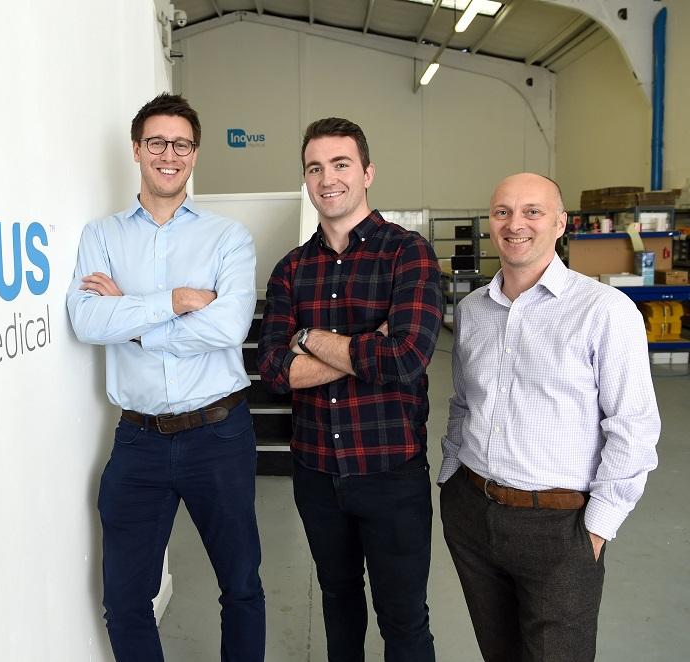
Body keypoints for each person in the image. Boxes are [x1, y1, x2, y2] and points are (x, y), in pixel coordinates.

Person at [66, 93, 264, 662]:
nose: (168, 154)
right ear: (137, 150)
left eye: (180, 144)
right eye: (156, 142)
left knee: (241, 587)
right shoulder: (100, 236)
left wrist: (130, 312)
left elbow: (228, 327)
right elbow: (86, 319)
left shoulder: (228, 237)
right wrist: (174, 300)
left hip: (219, 434)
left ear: (195, 154)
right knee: (125, 598)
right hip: (138, 440)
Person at [438, 172, 661, 662]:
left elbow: (633, 429)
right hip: (473, 512)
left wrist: (597, 528)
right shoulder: (473, 309)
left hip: (560, 528)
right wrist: (451, 477)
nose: (516, 224)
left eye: (532, 212)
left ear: (561, 223)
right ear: (490, 224)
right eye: (502, 212)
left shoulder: (605, 311)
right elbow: (463, 402)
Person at [258, 117, 441, 661]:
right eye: (315, 168)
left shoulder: (408, 254)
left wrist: (309, 339)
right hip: (316, 473)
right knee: (338, 606)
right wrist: (366, 343)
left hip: (390, 473)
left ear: (367, 172)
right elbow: (274, 372)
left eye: (340, 164)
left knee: (404, 621)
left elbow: (405, 359)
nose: (327, 178)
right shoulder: (291, 270)